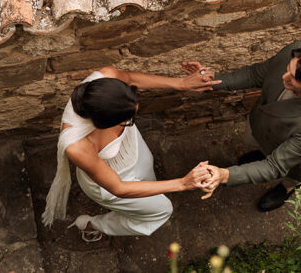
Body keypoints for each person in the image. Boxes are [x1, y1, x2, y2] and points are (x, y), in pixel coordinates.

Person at [42, 65, 218, 241]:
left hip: (134, 153)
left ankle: (133, 205)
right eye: (126, 119)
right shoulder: (78, 147)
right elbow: (119, 188)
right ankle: (92, 225)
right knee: (162, 210)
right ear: (103, 123)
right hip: (111, 181)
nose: (132, 117)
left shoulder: (107, 77)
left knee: (149, 177)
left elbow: (131, 78)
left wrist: (181, 83)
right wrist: (182, 184)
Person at [183, 41, 301, 211]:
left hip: (288, 153)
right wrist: (210, 81)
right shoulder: (294, 55)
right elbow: (254, 74)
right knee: (262, 148)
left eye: (293, 78)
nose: (284, 77)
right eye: (288, 68)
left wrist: (224, 175)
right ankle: (262, 152)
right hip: (264, 126)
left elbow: (275, 165)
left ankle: (288, 188)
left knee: (293, 173)